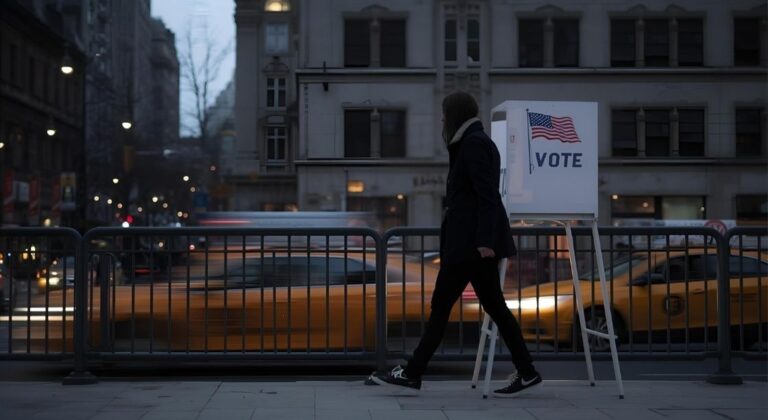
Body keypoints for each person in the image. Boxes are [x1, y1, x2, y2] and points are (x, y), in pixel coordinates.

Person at [372, 91, 542, 397]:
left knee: (444, 308)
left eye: (443, 114)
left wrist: (484, 242)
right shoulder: (472, 142)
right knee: (494, 308)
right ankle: (527, 371)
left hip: (470, 247)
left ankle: (412, 372)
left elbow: (488, 196)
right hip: (470, 246)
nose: (440, 119)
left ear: (455, 115)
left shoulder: (474, 145)